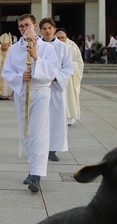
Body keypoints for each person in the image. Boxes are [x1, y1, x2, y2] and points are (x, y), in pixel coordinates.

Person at [2, 14, 59, 193]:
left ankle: (37, 175)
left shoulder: (46, 49)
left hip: (40, 92)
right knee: (26, 132)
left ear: (34, 26)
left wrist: (36, 58)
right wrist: (20, 77)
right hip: (22, 93)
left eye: (27, 25)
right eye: (20, 26)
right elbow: (6, 72)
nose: (24, 29)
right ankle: (32, 167)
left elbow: (52, 71)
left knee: (39, 133)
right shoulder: (14, 49)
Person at [39, 19, 72, 163]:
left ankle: (53, 149)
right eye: (44, 28)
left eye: (50, 28)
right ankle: (40, 148)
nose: (47, 31)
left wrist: (56, 77)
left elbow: (68, 68)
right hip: (39, 87)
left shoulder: (62, 47)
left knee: (56, 118)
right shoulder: (36, 46)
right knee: (40, 119)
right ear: (40, 30)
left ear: (54, 29)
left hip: (56, 88)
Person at [56, 29, 84, 126]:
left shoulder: (72, 46)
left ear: (66, 37)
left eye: (62, 37)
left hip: (68, 78)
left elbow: (79, 62)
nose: (60, 39)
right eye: (58, 38)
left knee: (69, 97)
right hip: (56, 78)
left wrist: (69, 65)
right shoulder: (53, 45)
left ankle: (69, 119)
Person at [0, 32, 13, 100]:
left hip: (7, 72)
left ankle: (6, 95)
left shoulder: (11, 52)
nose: (4, 47)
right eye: (2, 45)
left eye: (5, 45)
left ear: (8, 45)